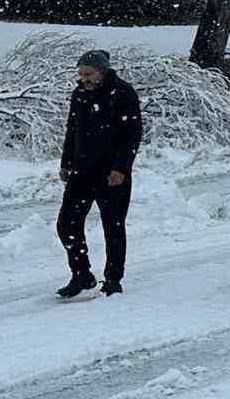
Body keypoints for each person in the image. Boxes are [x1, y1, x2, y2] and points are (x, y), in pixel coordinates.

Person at [56, 49, 142, 299]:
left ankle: (113, 279)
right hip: (82, 171)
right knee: (67, 223)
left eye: (88, 74)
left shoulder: (123, 93)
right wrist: (66, 162)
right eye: (81, 74)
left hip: (111, 173)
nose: (83, 78)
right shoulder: (80, 94)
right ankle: (81, 274)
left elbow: (132, 134)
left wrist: (121, 168)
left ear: (101, 73)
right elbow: (72, 129)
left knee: (113, 226)